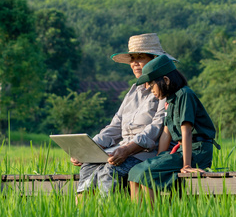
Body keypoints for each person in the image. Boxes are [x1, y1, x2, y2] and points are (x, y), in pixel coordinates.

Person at [72, 33, 173, 196]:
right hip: (122, 150)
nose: (135, 63)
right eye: (132, 59)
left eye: (140, 58)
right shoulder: (133, 91)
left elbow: (156, 128)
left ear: (154, 59)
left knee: (110, 170)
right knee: (88, 167)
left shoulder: (166, 90)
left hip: (147, 152)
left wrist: (127, 149)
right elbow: (115, 126)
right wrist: (89, 147)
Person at [127, 54, 217, 205]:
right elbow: (166, 133)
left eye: (152, 84)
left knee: (146, 173)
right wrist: (160, 157)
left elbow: (186, 131)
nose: (150, 90)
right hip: (184, 152)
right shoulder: (170, 100)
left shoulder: (185, 95)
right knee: (134, 172)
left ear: (166, 81)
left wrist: (186, 165)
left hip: (197, 151)